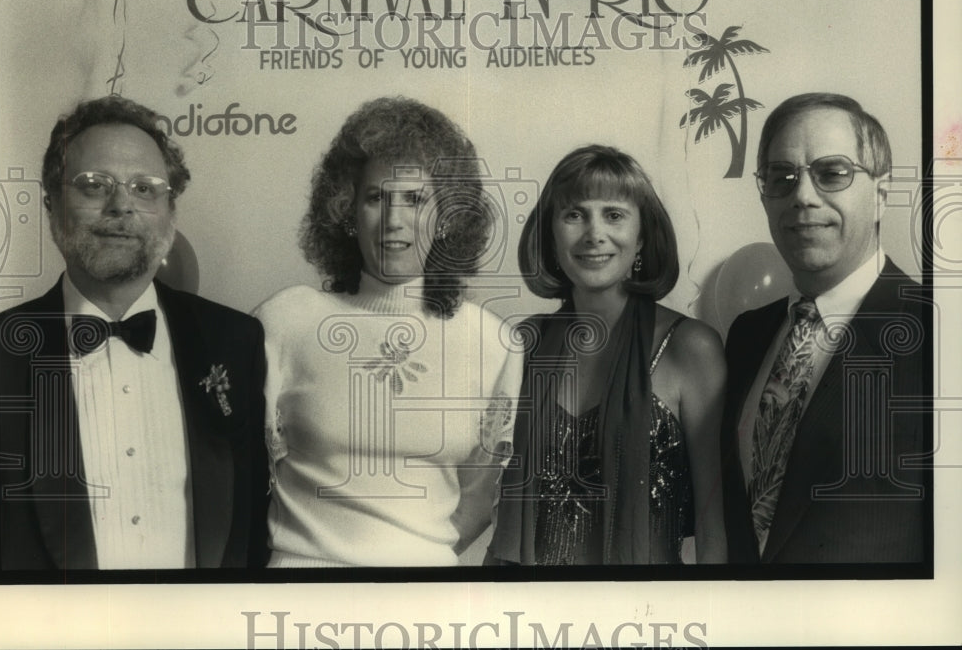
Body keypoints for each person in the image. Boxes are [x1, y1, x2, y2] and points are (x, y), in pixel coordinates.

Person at [0, 95, 269, 571]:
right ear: (52, 205)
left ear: (170, 212)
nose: (122, 205)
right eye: (94, 185)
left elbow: (249, 526)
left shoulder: (236, 341)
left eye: (145, 188)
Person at [254, 96, 522, 567]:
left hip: (428, 613)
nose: (394, 221)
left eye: (415, 199)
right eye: (376, 197)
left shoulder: (494, 343)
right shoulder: (284, 321)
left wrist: (406, 567)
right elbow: (243, 482)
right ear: (347, 211)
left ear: (447, 218)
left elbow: (479, 500)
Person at [486, 145, 727, 565]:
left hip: (646, 616)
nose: (593, 233)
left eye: (613, 214)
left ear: (642, 239)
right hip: (529, 615)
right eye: (574, 214)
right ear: (551, 236)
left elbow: (714, 521)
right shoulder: (524, 343)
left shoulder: (692, 347)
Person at [720, 92, 928, 563]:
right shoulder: (747, 336)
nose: (803, 196)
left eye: (832, 173)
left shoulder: (938, 333)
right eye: (782, 177)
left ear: (880, 194)